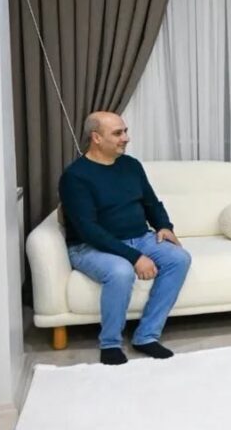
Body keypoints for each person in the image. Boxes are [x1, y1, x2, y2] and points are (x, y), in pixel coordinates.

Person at [58, 111, 193, 365]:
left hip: (139, 237)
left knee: (179, 259)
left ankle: (146, 336)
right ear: (96, 138)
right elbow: (88, 230)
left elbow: (151, 203)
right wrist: (135, 257)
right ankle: (110, 343)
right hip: (90, 246)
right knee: (121, 272)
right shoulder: (75, 177)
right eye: (118, 133)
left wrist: (164, 226)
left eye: (125, 131)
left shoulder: (131, 166)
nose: (126, 138)